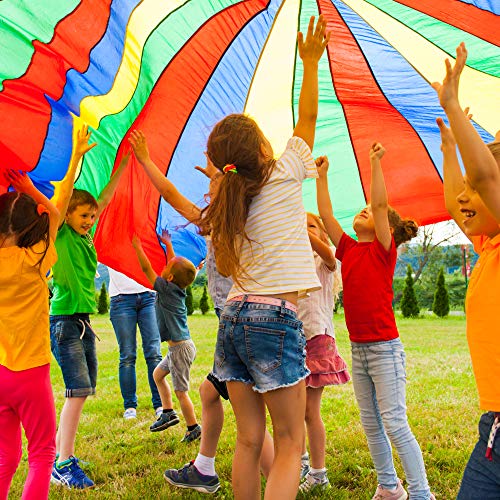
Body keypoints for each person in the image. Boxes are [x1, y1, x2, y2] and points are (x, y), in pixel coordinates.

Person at [197, 15, 329, 500]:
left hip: (233, 316)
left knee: (250, 440)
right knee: (291, 441)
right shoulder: (288, 171)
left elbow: (229, 269)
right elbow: (309, 118)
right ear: (263, 148)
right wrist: (310, 62)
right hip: (274, 319)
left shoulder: (231, 201)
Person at [128, 131, 274, 494]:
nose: (206, 195)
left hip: (238, 323)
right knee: (211, 395)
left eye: (212, 188)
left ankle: (280, 476)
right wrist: (216, 175)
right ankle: (206, 469)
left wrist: (146, 160)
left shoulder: (224, 221)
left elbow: (172, 196)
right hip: (241, 322)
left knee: (249, 421)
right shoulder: (241, 217)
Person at [316, 149, 434, 500]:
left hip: (384, 350)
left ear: (389, 231)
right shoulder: (349, 249)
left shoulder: (383, 249)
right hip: (359, 349)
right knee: (371, 424)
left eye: (369, 211)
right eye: (361, 209)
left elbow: (381, 206)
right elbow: (325, 216)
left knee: (395, 423)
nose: (364, 210)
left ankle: (422, 493)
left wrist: (376, 164)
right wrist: (322, 177)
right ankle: (388, 486)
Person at [433, 43, 500, 499]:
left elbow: (487, 179)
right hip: (494, 426)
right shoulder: (489, 245)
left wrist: (454, 106)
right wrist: (450, 148)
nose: (464, 198)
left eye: (474, 190)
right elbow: (457, 199)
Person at [50, 125, 129, 489]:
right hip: (64, 321)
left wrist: (125, 162)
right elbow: (64, 197)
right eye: (82, 215)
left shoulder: (85, 237)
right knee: (77, 392)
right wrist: (77, 156)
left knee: (82, 391)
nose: (88, 220)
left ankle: (62, 457)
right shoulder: (62, 233)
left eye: (91, 217)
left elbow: (106, 198)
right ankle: (62, 462)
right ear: (67, 216)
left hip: (81, 322)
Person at [0, 170, 59, 500]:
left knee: (5, 457)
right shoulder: (34, 259)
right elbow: (55, 215)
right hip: (31, 374)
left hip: (1, 374)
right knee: (41, 455)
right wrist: (31, 190)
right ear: (28, 229)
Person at [132, 230, 201, 443]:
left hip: (180, 349)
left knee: (182, 391)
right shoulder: (175, 287)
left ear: (169, 277)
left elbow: (146, 269)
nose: (164, 266)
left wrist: (137, 247)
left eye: (167, 267)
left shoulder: (165, 288)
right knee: (157, 376)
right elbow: (173, 262)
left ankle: (193, 427)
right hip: (177, 347)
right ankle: (168, 412)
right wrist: (167, 244)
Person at [298, 212, 350, 492]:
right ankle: (302, 461)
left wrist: (299, 231)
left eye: (311, 225)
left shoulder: (326, 259)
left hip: (317, 339)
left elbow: (329, 255)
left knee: (309, 410)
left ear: (322, 233)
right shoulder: (292, 264)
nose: (304, 229)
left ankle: (318, 473)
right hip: (294, 340)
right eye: (300, 224)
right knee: (294, 410)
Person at [108, 268, 163, 420]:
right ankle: (130, 406)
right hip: (121, 299)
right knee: (127, 355)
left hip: (149, 296)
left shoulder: (145, 242)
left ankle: (160, 404)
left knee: (154, 353)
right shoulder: (110, 243)